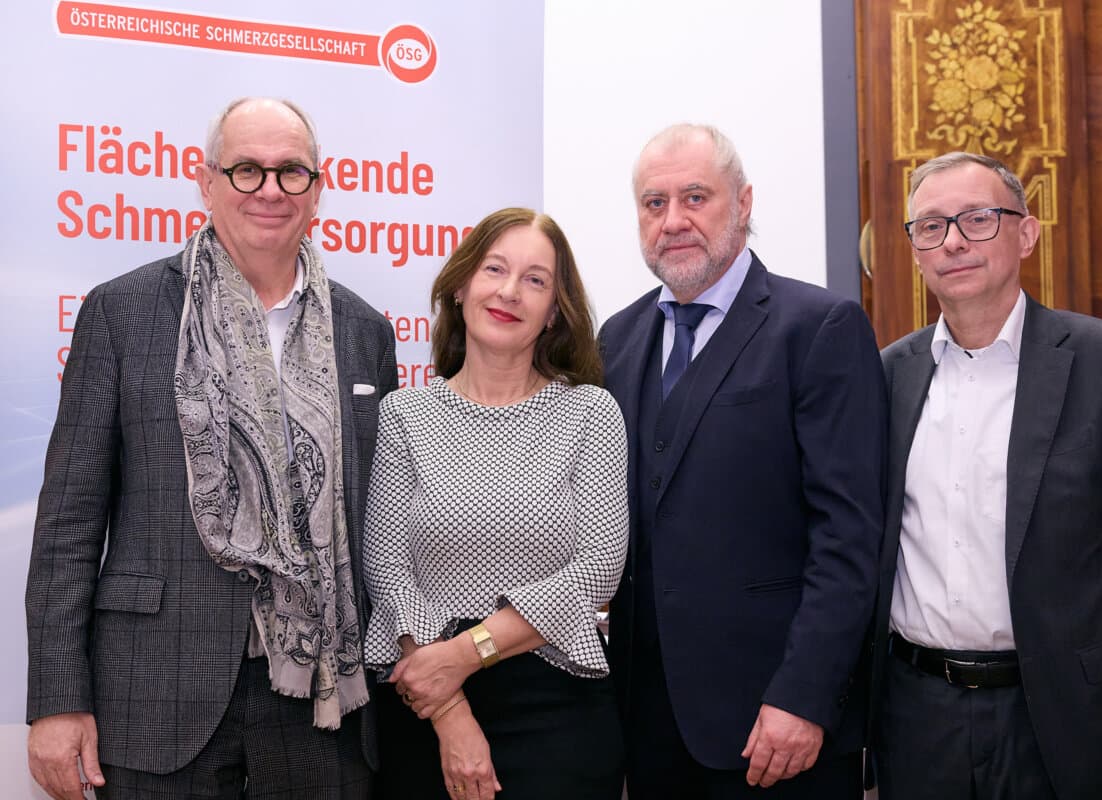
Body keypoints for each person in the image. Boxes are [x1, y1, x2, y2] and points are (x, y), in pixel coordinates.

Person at [25, 97, 398, 800]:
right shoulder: (124, 313)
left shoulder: (364, 332)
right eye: (247, 170)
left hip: (323, 703)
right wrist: (56, 699)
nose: (269, 190)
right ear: (206, 181)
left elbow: (377, 523)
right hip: (156, 695)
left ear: (318, 189)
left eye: (290, 172)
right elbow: (69, 523)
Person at [868, 151, 1102, 800]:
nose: (953, 241)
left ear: (1027, 232)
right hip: (918, 717)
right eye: (930, 226)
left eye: (978, 219)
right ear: (913, 250)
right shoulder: (885, 376)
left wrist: (1083, 655)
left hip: (1062, 716)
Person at [597, 123, 887, 799]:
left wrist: (806, 696)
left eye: (696, 197)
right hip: (651, 726)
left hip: (778, 728)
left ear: (745, 203)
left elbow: (849, 537)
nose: (673, 221)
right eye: (653, 203)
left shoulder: (819, 327)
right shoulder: (619, 337)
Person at [362, 207, 628, 800]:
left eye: (535, 280)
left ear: (555, 310)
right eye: (495, 269)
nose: (510, 291)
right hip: (425, 702)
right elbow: (385, 567)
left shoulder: (590, 414)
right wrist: (451, 707)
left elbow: (599, 567)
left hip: (556, 707)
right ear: (462, 286)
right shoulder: (404, 416)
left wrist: (466, 653)